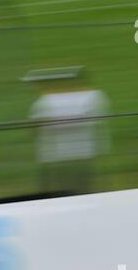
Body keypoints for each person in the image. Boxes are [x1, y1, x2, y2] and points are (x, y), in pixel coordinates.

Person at [25, 67, 109, 196]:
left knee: (59, 190)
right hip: (76, 154)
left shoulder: (45, 101)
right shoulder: (93, 97)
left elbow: (36, 126)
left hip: (58, 156)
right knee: (80, 188)